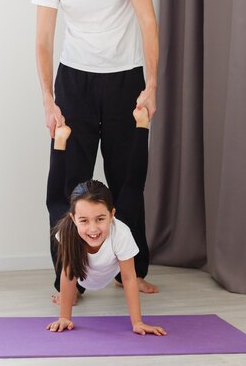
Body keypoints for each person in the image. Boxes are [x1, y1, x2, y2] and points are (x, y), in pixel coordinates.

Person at [32, 0, 159, 297]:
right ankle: (68, 278)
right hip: (75, 82)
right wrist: (49, 99)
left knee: (127, 180)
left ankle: (130, 273)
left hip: (124, 80)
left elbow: (148, 22)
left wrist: (151, 84)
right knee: (72, 185)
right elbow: (44, 40)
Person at [46, 106, 166, 335]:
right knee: (54, 203)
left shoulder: (120, 231)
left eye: (100, 218)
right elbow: (69, 274)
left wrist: (137, 323)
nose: (92, 229)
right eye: (84, 220)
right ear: (74, 219)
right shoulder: (70, 230)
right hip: (80, 274)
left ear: (112, 214)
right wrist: (64, 317)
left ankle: (143, 126)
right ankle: (59, 141)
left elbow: (130, 278)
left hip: (114, 241)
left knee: (133, 188)